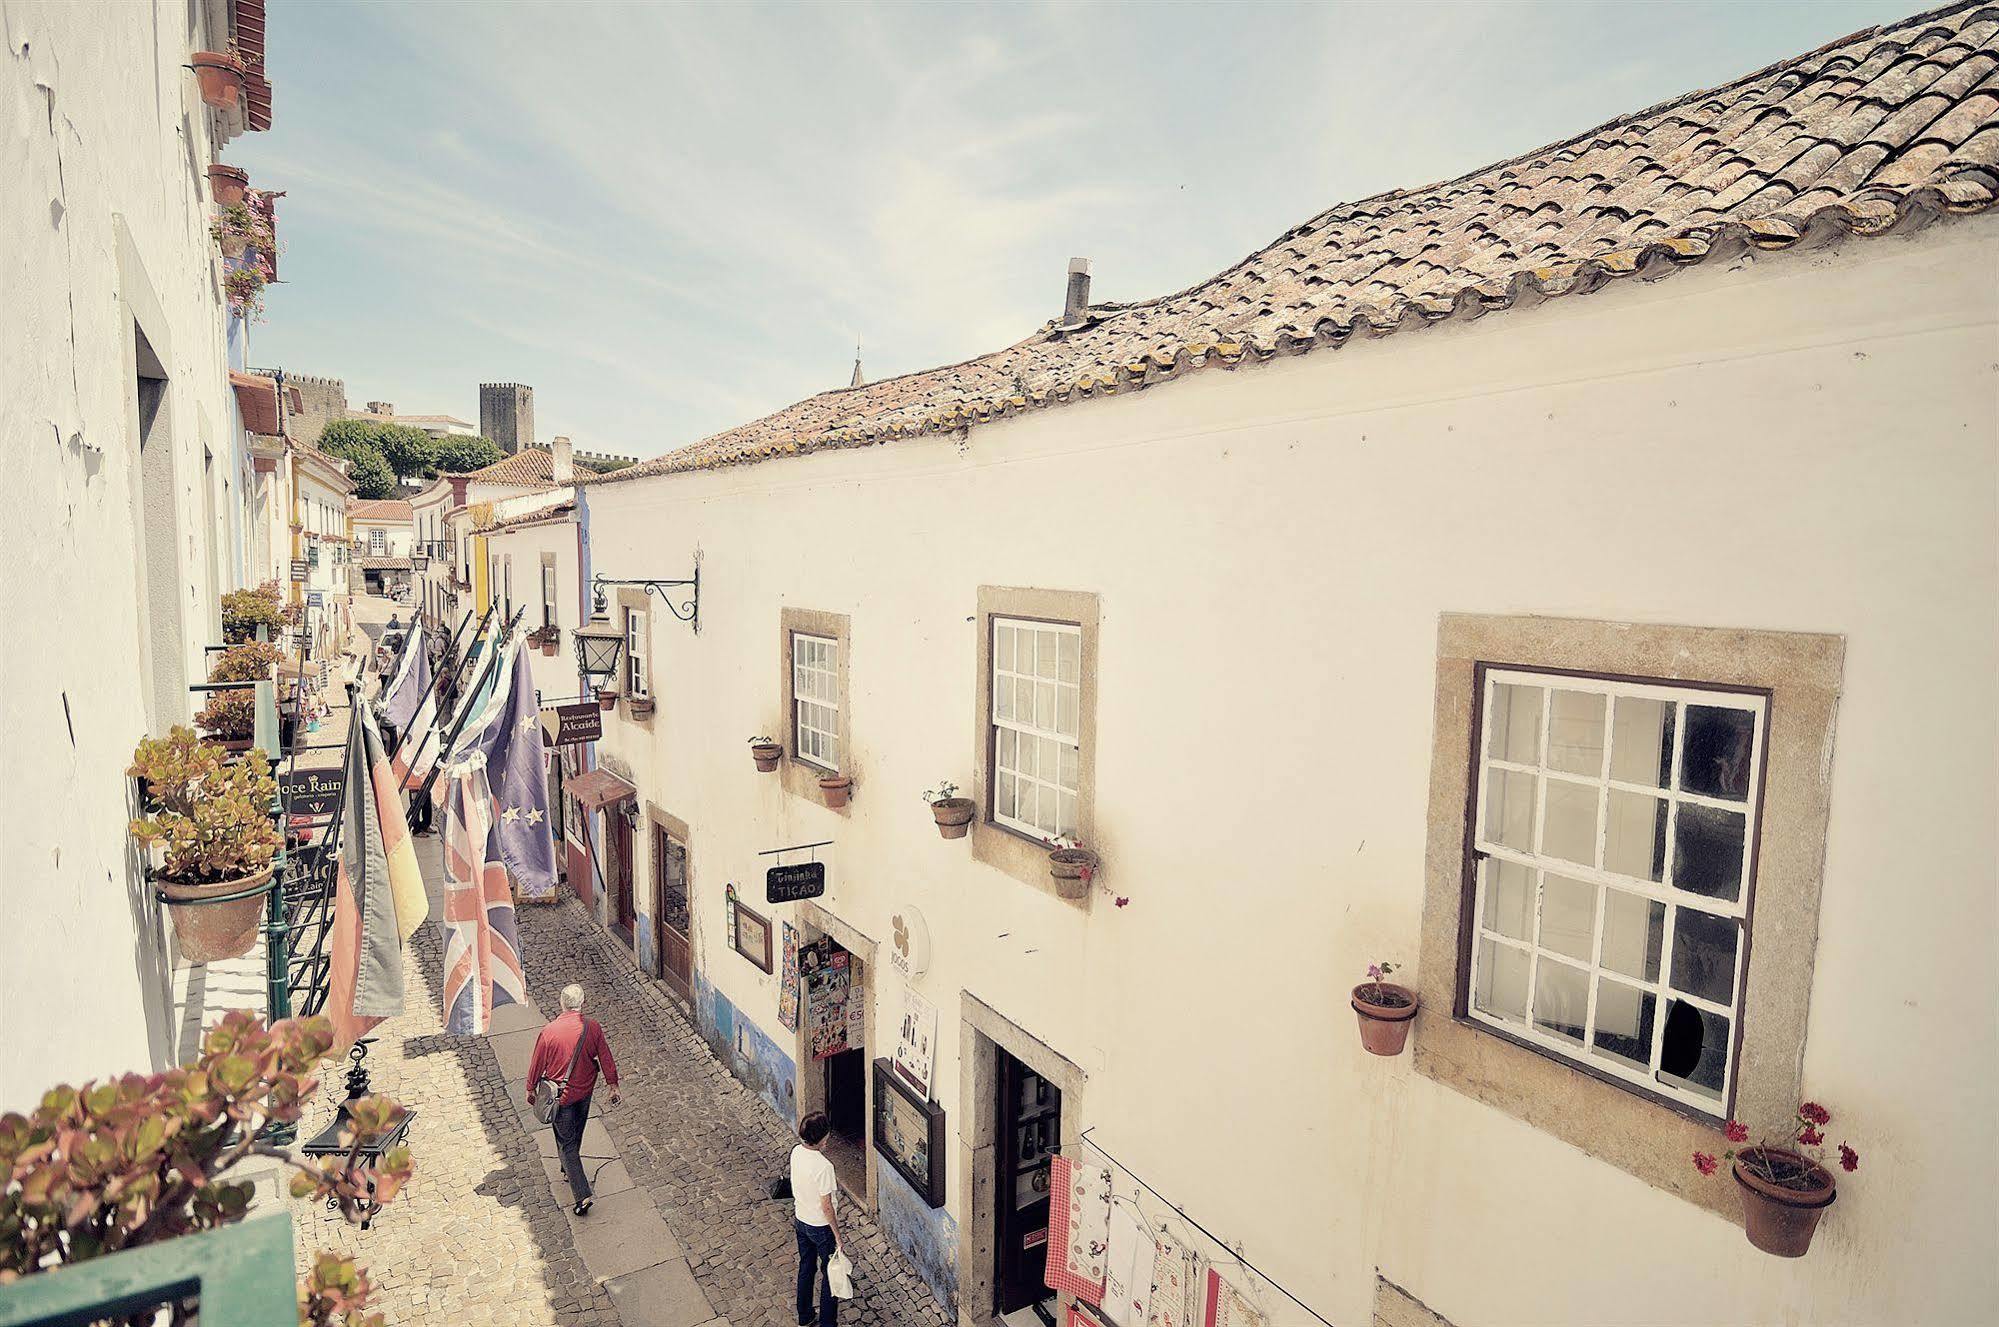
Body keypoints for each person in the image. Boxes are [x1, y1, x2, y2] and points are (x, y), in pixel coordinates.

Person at [525, 984, 620, 1216]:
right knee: (574, 1134)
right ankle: (567, 1168)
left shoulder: (549, 1032)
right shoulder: (592, 1028)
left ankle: (582, 1194)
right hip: (584, 1092)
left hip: (561, 1097)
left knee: (566, 1142)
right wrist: (612, 1085)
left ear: (561, 1003)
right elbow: (605, 1056)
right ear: (582, 1003)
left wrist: (531, 1088)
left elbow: (537, 1062)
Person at [791, 1112, 844, 1327]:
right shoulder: (824, 1167)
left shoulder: (796, 1152)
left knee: (806, 1267)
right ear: (823, 1138)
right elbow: (826, 1206)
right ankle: (827, 1323)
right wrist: (837, 1236)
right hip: (820, 1227)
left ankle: (804, 1315)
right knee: (830, 1275)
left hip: (801, 1219)